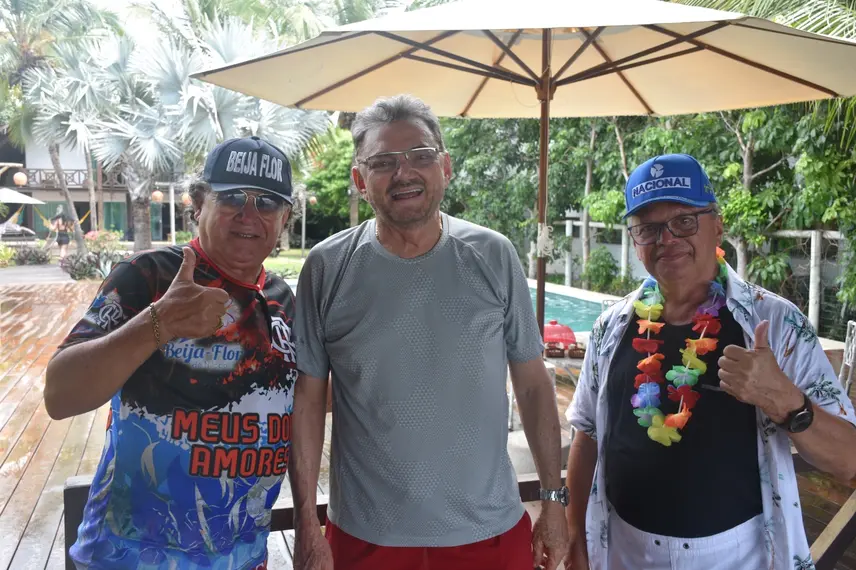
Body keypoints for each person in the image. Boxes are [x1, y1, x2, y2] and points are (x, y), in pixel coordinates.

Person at [290, 94, 570, 570]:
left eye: (420, 156)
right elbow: (309, 400)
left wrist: (554, 498)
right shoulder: (327, 267)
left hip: (488, 532)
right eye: (383, 162)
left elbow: (532, 383)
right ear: (359, 179)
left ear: (446, 166)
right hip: (365, 536)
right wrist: (304, 522)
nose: (404, 173)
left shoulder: (493, 256)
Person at [564, 153, 856, 570]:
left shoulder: (775, 324)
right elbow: (586, 433)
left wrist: (788, 402)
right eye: (648, 228)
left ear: (717, 223)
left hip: (738, 557)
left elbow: (849, 462)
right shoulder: (611, 327)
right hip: (625, 553)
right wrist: (577, 536)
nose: (667, 239)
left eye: (684, 221)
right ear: (636, 241)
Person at [45, 136, 298, 570]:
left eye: (268, 203)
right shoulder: (150, 275)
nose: (249, 215)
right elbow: (60, 395)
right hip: (129, 556)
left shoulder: (282, 299)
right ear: (198, 203)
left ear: (285, 218)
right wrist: (157, 322)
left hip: (244, 557)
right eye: (233, 196)